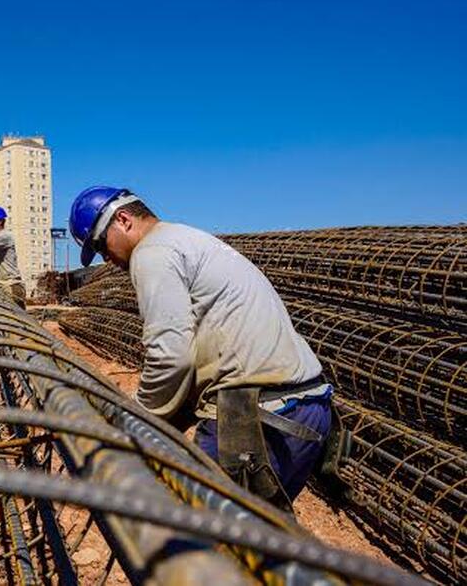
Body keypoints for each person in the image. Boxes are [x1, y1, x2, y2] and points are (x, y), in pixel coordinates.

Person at [69, 186, 331, 509]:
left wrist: (133, 422)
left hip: (254, 416)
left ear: (122, 220)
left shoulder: (152, 252)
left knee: (196, 542)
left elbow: (171, 357)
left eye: (100, 245)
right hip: (309, 407)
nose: (106, 258)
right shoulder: (186, 239)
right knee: (255, 538)